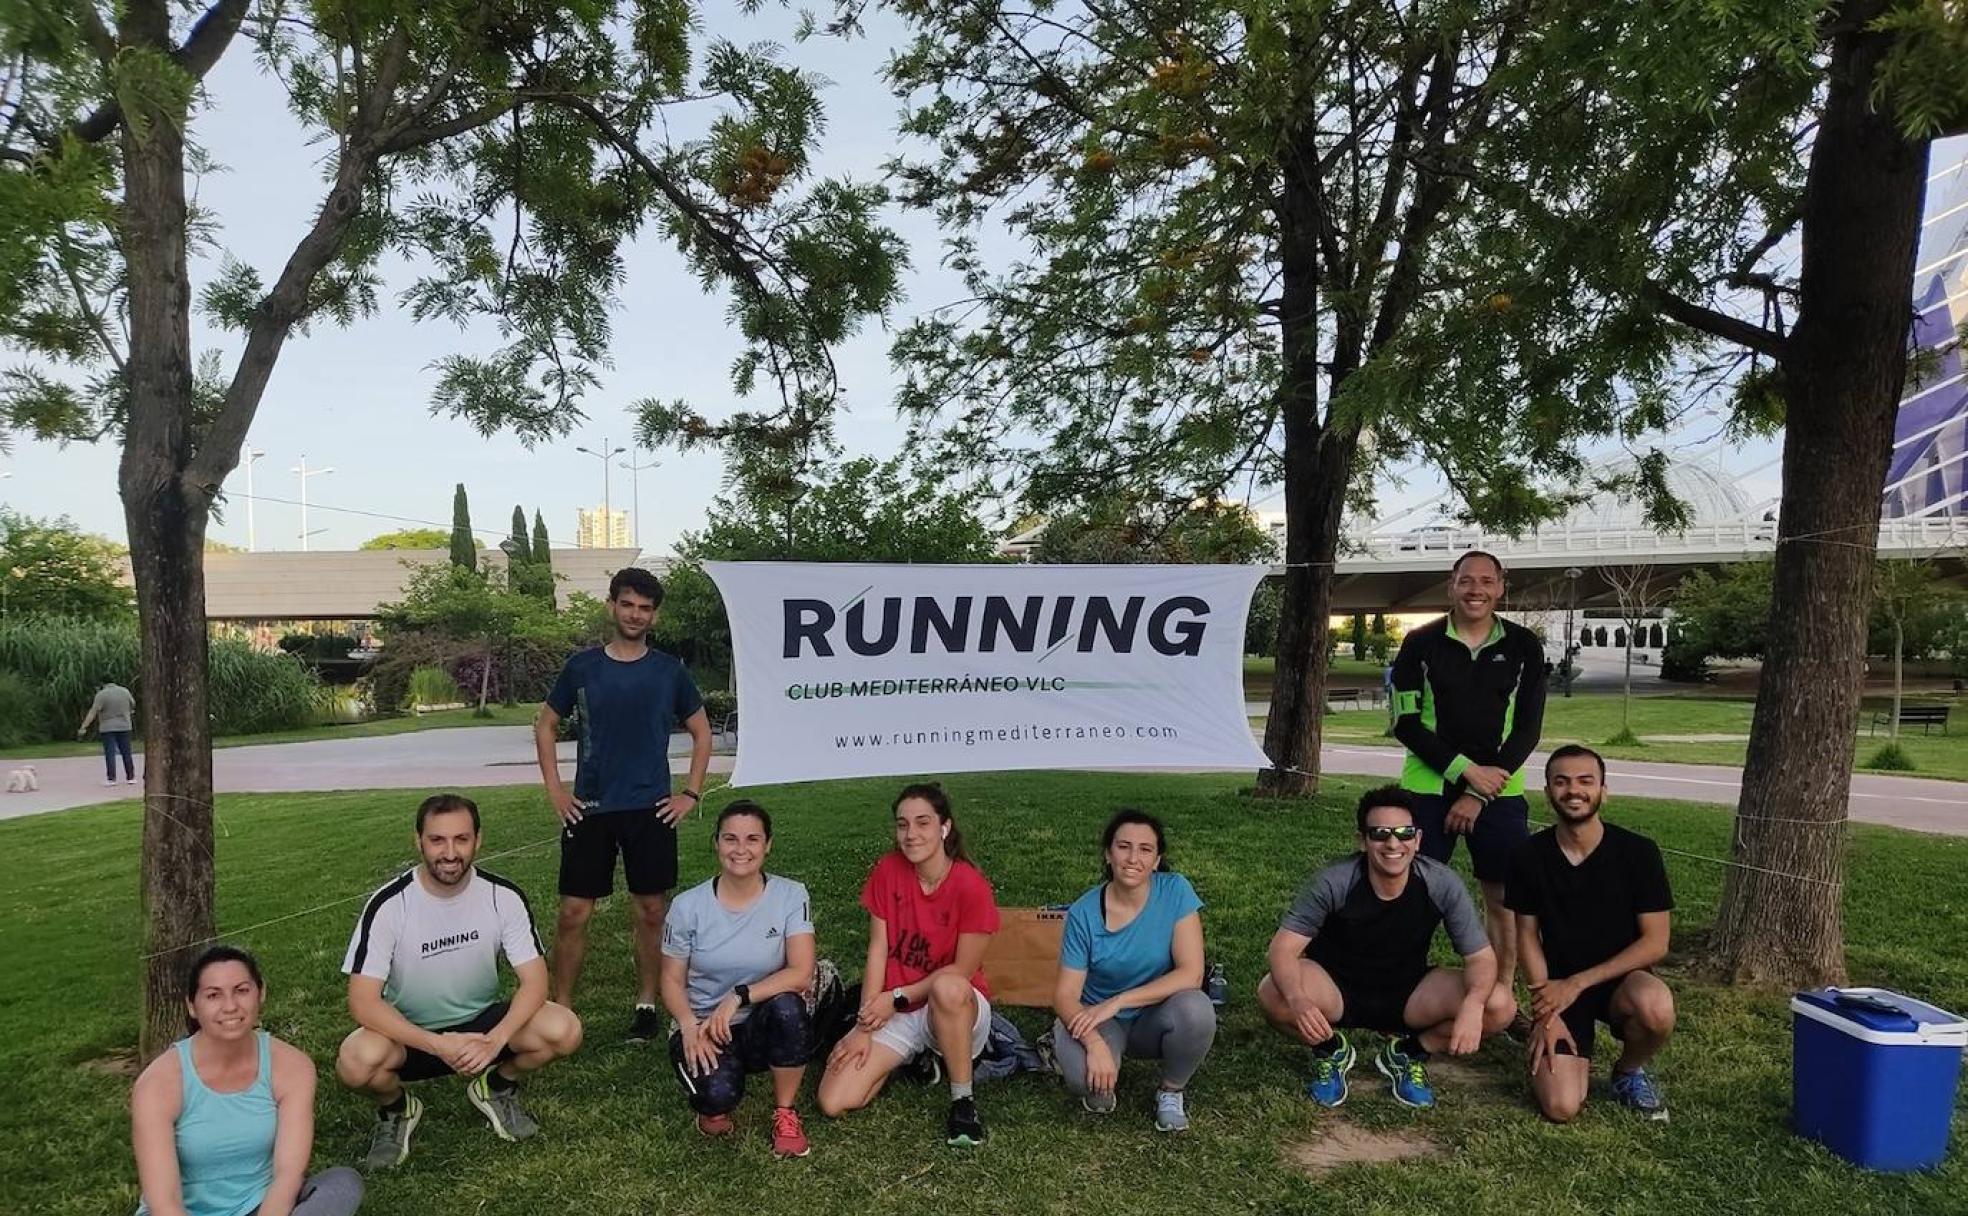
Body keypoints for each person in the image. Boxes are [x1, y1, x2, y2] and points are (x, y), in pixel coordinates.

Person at [334, 794, 583, 1170]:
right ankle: (397, 1109)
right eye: (437, 840)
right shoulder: (388, 905)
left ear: (478, 840)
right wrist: (436, 1044)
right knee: (355, 1062)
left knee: (564, 1028)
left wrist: (496, 1039)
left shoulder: (504, 897)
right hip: (410, 1033)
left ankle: (495, 1087)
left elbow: (534, 983)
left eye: (461, 839)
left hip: (481, 1028)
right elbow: (363, 1002)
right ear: (418, 841)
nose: (450, 853)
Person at [535, 567, 714, 1043]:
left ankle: (646, 1004)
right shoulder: (582, 667)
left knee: (651, 910)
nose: (636, 614)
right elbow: (545, 725)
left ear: (653, 615)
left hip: (650, 809)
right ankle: (562, 1008)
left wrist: (690, 793)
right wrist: (555, 789)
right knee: (574, 911)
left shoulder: (669, 671)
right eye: (628, 604)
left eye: (645, 607)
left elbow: (701, 733)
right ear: (612, 605)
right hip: (590, 808)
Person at [1258, 787, 1514, 1110]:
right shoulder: (1334, 881)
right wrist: (1298, 1000)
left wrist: (1474, 1004)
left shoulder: (1441, 883)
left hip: (1410, 993)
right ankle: (1331, 1049)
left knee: (1500, 1004)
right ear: (1362, 840)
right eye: (1379, 834)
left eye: (1404, 833)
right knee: (1272, 992)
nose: (1393, 844)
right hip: (1335, 989)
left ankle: (1409, 1052)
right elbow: (1282, 950)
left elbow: (1481, 958)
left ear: (1418, 840)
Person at [1389, 550, 1547, 1010]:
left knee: (1503, 900)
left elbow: (1528, 730)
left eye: (1486, 581)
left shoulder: (1524, 646)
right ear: (1451, 585)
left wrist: (1478, 790)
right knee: (1415, 891)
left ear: (1501, 587)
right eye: (1466, 581)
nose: (1476, 590)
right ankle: (1402, 990)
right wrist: (1464, 772)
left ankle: (1498, 1000)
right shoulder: (1419, 643)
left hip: (1500, 790)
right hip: (1427, 787)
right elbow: (1406, 723)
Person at [817, 783, 1001, 1147]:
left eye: (922, 823)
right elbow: (878, 950)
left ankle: (963, 1102)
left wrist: (895, 999)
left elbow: (961, 973)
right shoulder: (888, 870)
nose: (911, 834)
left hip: (952, 1006)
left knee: (948, 989)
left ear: (944, 827)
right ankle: (915, 1059)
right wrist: (864, 1024)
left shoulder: (971, 886)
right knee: (833, 1101)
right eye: (902, 824)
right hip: (896, 1008)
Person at [1507, 745, 1676, 1122]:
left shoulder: (1638, 853)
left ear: (1603, 789)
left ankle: (1628, 1071)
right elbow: (1527, 938)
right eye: (1562, 782)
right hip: (1558, 993)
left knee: (1656, 1006)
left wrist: (1579, 982)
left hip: (1620, 982)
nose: (1574, 790)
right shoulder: (1528, 856)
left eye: (1586, 781)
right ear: (1548, 791)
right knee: (1562, 1107)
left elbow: (1656, 942)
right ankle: (1561, 1051)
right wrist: (1546, 1014)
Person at [132, 945, 364, 1216]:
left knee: (342, 1185)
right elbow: (164, 1202)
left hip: (260, 1207)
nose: (230, 1006)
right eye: (213, 995)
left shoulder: (291, 1066)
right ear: (192, 1006)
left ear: (261, 993)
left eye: (242, 990)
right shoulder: (159, 1082)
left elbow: (288, 1174)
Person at [661, 800, 816, 1158]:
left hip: (762, 1017)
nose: (741, 849)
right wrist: (686, 1025)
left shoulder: (791, 895)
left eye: (752, 839)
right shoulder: (687, 906)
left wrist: (739, 996)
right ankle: (717, 1087)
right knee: (716, 1098)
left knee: (789, 1006)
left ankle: (786, 1112)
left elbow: (801, 971)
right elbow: (670, 979)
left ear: (768, 845)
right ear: (716, 843)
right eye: (730, 839)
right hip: (704, 1024)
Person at [1051, 809, 1215, 1132]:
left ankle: (1171, 1090)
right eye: (1123, 846)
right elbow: (1064, 995)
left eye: (1145, 849)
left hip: (1156, 1015)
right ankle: (1102, 1073)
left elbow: (1191, 973)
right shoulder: (1083, 912)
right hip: (1100, 1018)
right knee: (1090, 1086)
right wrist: (1095, 1044)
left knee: (1197, 1009)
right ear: (1108, 854)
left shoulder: (1176, 891)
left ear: (1156, 860)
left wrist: (1120, 1000)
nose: (1133, 858)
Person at [79, 676, 138, 787]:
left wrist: (84, 726)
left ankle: (112, 778)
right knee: (126, 752)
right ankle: (131, 777)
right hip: (125, 726)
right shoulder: (125, 691)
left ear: (102, 683)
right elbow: (132, 704)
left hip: (108, 727)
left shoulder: (101, 695)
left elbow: (93, 711)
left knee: (110, 753)